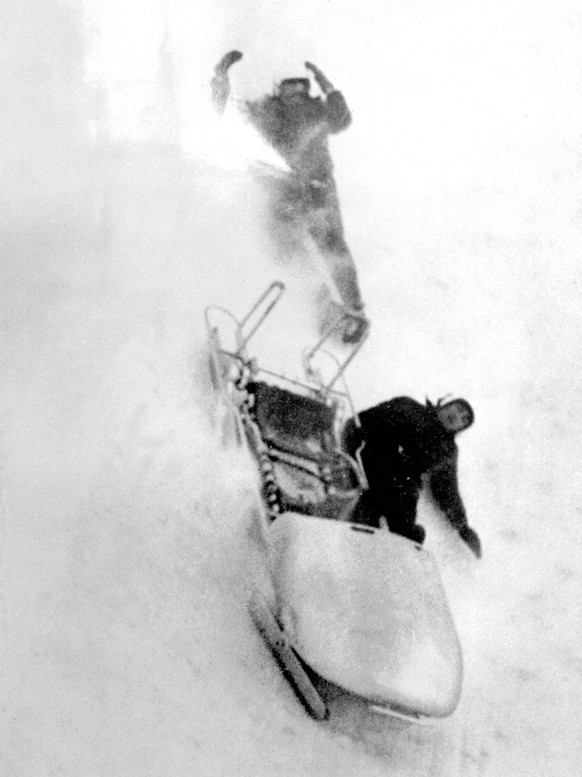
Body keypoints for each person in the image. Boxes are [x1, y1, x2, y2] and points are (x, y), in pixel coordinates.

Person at [210, 51, 367, 343]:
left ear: (305, 89)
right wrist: (221, 77)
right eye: (288, 89)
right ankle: (328, 308)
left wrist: (329, 87)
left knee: (329, 246)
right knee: (290, 246)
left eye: (299, 88)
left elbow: (342, 120)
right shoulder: (269, 111)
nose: (294, 95)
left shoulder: (312, 109)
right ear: (280, 90)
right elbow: (230, 115)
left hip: (315, 190)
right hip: (289, 194)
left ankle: (352, 308)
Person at [343, 396, 482, 557]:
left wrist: (463, 527)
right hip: (375, 454)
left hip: (402, 484)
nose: (457, 417)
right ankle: (361, 529)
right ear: (445, 405)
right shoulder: (409, 406)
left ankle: (404, 551)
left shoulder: (447, 451)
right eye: (458, 409)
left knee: (404, 521)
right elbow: (366, 418)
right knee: (377, 497)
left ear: (460, 429)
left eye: (464, 420)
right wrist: (354, 439)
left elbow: (447, 490)